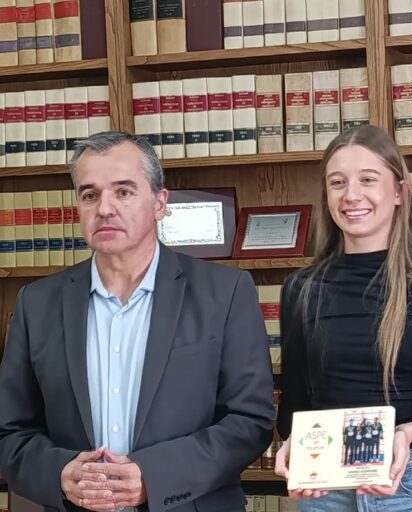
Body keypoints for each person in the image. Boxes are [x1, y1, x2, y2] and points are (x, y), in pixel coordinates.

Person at [0, 131, 275, 512]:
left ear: (160, 203)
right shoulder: (37, 302)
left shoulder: (225, 292)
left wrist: (155, 477)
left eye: (124, 192)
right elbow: (10, 430)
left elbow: (251, 421)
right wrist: (59, 473)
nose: (105, 208)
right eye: (90, 195)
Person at [274, 125, 412, 511]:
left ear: (398, 192)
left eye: (368, 179)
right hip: (327, 491)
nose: (351, 195)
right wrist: (297, 448)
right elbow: (294, 407)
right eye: (337, 182)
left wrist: (408, 433)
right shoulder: (301, 289)